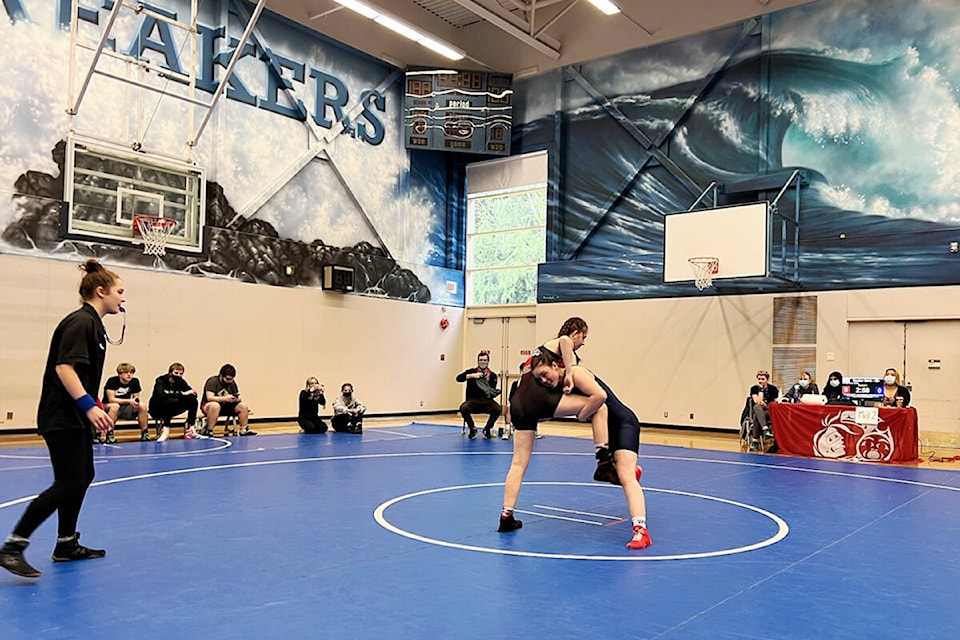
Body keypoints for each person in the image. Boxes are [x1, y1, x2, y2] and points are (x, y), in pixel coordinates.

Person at [0, 259, 123, 578]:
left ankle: (66, 543)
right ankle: (13, 547)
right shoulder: (80, 322)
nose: (123, 299)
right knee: (69, 481)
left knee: (83, 476)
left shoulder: (95, 325)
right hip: (62, 415)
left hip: (76, 415)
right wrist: (90, 407)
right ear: (101, 291)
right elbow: (64, 368)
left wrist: (94, 403)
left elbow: (82, 374)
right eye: (119, 292)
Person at [499, 349, 651, 549]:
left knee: (626, 475)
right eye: (539, 378)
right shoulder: (557, 386)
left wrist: (582, 414)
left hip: (621, 424)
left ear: (556, 366)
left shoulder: (576, 374)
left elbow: (601, 398)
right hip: (602, 428)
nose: (544, 380)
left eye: (545, 374)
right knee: (623, 473)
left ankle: (641, 531)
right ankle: (618, 468)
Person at [200, 364, 255, 437]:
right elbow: (209, 397)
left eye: (231, 379)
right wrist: (225, 398)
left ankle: (244, 429)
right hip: (210, 406)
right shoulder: (212, 381)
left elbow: (238, 395)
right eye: (227, 379)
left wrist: (236, 399)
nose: (229, 381)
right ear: (221, 376)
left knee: (243, 406)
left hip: (227, 405)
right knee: (215, 405)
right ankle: (209, 430)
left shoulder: (232, 383)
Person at [148, 362, 199, 442]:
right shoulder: (160, 380)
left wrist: (182, 394)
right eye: (176, 373)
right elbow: (162, 395)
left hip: (172, 408)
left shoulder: (181, 382)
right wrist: (182, 394)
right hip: (157, 409)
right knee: (167, 401)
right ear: (170, 373)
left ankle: (191, 429)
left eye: (180, 374)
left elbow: (193, 394)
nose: (178, 375)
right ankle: (165, 430)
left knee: (192, 400)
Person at [101, 362, 150, 442]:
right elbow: (111, 399)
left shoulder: (135, 381)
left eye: (131, 372)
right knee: (115, 406)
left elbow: (136, 397)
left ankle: (145, 432)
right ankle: (109, 433)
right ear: (120, 374)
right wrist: (129, 401)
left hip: (125, 407)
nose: (129, 375)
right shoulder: (112, 381)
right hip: (108, 406)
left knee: (142, 405)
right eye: (126, 372)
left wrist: (136, 402)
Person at [456, 352, 501, 439]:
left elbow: (491, 392)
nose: (482, 362)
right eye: (481, 360)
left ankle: (487, 429)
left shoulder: (492, 375)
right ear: (477, 361)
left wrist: (486, 383)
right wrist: (472, 376)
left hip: (487, 401)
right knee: (463, 408)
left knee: (498, 409)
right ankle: (472, 428)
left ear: (488, 361)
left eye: (484, 360)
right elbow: (458, 378)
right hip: (472, 400)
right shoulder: (472, 372)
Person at [748, 370, 779, 451]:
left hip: (770, 411)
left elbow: (776, 402)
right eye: (759, 379)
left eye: (762, 379)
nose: (760, 381)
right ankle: (765, 429)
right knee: (757, 408)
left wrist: (767, 405)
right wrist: (761, 390)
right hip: (760, 411)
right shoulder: (754, 388)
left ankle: (755, 442)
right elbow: (757, 401)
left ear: (767, 380)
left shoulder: (773, 389)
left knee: (756, 416)